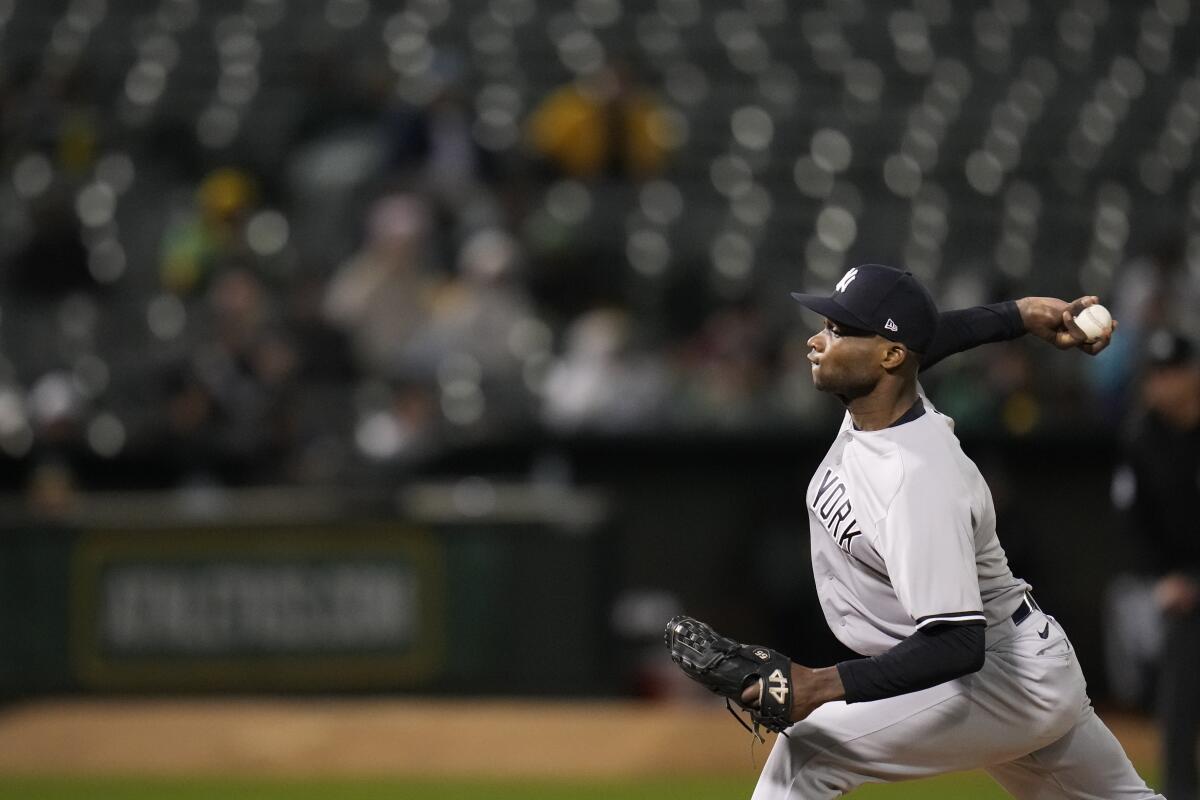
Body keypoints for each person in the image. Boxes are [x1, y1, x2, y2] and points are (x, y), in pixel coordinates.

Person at [740, 264, 1161, 798]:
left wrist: (821, 685)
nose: (817, 340)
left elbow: (957, 643)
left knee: (808, 750)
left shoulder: (915, 480)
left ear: (890, 355)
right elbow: (930, 337)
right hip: (1021, 662)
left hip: (1000, 678)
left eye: (839, 330)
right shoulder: (881, 398)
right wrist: (1021, 314)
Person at [1113, 329, 1200, 800]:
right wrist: (1165, 578)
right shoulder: (1143, 438)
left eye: (1174, 372)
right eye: (1158, 374)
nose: (1164, 383)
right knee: (1178, 702)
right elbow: (1133, 525)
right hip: (1180, 585)